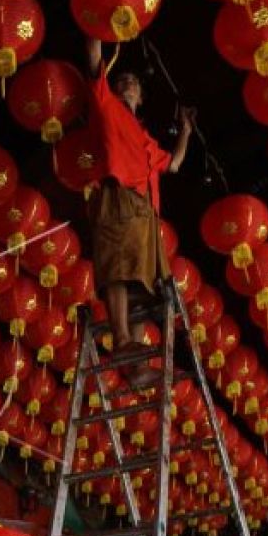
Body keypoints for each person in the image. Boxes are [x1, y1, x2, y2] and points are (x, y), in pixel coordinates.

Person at [86, 38, 194, 385]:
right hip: (118, 198)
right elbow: (93, 60)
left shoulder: (146, 137)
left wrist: (187, 130)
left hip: (147, 214)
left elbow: (174, 164)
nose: (128, 83)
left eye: (133, 82)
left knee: (142, 282)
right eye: (122, 81)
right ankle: (120, 340)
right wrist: (96, 29)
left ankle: (137, 367)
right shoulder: (107, 107)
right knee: (118, 268)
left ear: (142, 96)